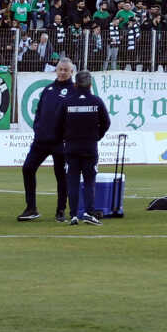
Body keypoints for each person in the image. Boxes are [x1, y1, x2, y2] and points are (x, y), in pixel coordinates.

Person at [19, 63, 75, 219]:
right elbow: (39, 111)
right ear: (56, 70)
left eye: (66, 70)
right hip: (41, 140)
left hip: (61, 142)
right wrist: (38, 128)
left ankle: (61, 210)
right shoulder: (48, 89)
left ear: (72, 71)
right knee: (28, 168)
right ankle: (31, 208)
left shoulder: (74, 90)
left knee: (61, 175)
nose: (62, 72)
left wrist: (67, 135)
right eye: (60, 69)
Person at [57, 71, 113, 225]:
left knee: (73, 181)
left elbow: (58, 124)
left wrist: (66, 138)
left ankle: (74, 215)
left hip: (71, 148)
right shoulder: (97, 101)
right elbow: (106, 123)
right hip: (90, 147)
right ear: (90, 85)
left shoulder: (67, 102)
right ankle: (88, 212)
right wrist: (96, 136)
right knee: (89, 181)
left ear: (75, 84)